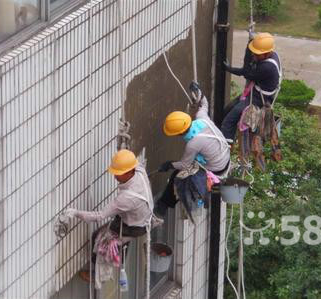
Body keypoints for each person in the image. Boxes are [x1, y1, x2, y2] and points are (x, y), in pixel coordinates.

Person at [66, 149, 154, 282]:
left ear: (130, 172)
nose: (115, 176)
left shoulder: (127, 198)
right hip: (143, 217)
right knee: (118, 237)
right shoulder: (139, 170)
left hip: (134, 227)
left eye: (119, 173)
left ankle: (101, 275)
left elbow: (100, 216)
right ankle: (120, 254)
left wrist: (76, 213)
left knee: (99, 237)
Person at [154, 82, 230, 219]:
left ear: (178, 134)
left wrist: (169, 164)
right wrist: (198, 92)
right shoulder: (202, 119)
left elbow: (184, 165)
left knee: (177, 176)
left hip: (216, 169)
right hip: (224, 157)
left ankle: (164, 205)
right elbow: (203, 105)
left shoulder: (193, 144)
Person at [221, 32, 282, 142]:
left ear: (266, 53)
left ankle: (225, 146)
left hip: (259, 98)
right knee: (228, 109)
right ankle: (229, 136)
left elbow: (245, 72)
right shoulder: (273, 54)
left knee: (228, 121)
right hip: (256, 92)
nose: (254, 55)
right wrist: (250, 44)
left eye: (257, 53)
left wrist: (229, 69)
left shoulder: (267, 67)